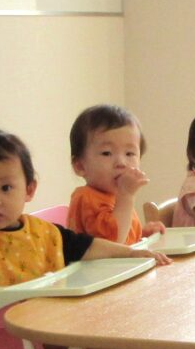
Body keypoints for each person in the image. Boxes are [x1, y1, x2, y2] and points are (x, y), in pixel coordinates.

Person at [0, 128, 160, 291]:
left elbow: (89, 247)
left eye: (6, 188)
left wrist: (130, 253)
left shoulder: (45, 233)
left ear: (29, 190)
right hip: (2, 330)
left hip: (51, 320)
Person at [66, 103, 165, 245]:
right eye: (107, 153)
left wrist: (143, 235)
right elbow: (112, 243)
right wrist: (126, 196)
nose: (121, 163)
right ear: (80, 166)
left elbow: (124, 241)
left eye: (129, 153)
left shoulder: (117, 197)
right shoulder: (86, 198)